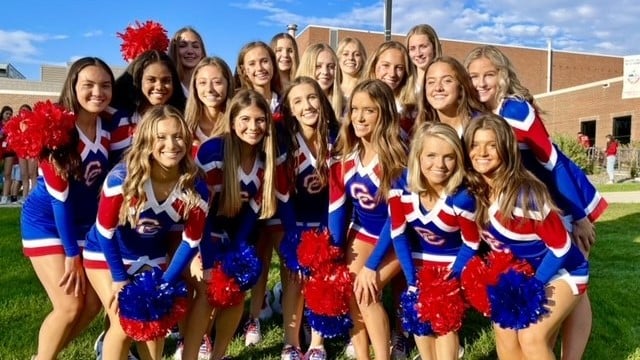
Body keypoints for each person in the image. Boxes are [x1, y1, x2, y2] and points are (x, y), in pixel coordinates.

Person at [464, 45, 607, 360]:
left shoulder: (516, 110)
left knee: (575, 287)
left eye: (489, 74)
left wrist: (579, 216)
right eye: (473, 76)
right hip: (519, 200)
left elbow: (554, 162)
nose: (480, 82)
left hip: (556, 198)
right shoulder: (481, 115)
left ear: (504, 75)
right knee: (535, 321)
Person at [83, 104, 208, 360]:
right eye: (160, 137)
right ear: (146, 141)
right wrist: (119, 278)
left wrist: (164, 284)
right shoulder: (121, 179)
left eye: (178, 136)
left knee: (156, 324)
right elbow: (104, 232)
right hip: (107, 254)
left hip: (152, 256)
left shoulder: (196, 186)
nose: (171, 144)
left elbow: (190, 240)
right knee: (125, 319)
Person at [463, 113, 589, 360]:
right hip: (524, 274)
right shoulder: (477, 192)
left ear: (506, 150)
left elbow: (562, 248)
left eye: (492, 145)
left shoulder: (524, 195)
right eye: (475, 145)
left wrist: (532, 287)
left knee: (531, 337)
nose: (482, 152)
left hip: (563, 272)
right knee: (505, 331)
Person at [19, 57, 114, 360]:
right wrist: (72, 253)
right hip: (47, 222)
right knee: (70, 304)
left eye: (105, 85)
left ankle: (45, 356)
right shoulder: (58, 131)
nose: (97, 92)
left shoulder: (109, 124)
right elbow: (59, 202)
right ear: (73, 87)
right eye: (88, 85)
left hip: (85, 222)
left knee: (92, 305)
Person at [192, 89, 285, 360]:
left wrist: (237, 253)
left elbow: (250, 216)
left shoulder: (266, 160)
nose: (252, 127)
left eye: (259, 120)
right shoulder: (212, 151)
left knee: (234, 293)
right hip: (201, 233)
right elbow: (201, 213)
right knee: (207, 291)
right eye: (245, 119)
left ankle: (219, 354)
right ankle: (197, 343)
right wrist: (207, 260)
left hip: (236, 235)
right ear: (232, 121)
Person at [387, 122, 479, 360]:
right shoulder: (400, 186)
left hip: (450, 268)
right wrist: (412, 281)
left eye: (449, 157)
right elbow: (398, 235)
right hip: (416, 266)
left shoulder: (462, 198)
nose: (439, 165)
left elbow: (471, 243)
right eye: (431, 155)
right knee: (420, 323)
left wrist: (450, 280)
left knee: (444, 325)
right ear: (417, 155)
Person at [329, 79, 406, 359]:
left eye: (369, 110)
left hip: (400, 235)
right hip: (363, 230)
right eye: (355, 109)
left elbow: (398, 219)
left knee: (366, 290)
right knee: (348, 286)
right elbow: (337, 209)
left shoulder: (399, 158)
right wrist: (332, 253)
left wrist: (372, 264)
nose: (359, 117)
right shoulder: (345, 156)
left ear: (384, 113)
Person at [278, 76, 341, 359]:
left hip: (325, 225)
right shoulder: (285, 145)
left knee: (322, 281)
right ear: (289, 109)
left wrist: (329, 236)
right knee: (294, 279)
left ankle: (317, 342)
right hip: (294, 224)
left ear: (322, 100)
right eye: (298, 101)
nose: (307, 106)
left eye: (312, 98)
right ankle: (291, 342)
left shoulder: (336, 141)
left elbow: (339, 197)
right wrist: (293, 239)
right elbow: (283, 196)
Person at [109, 50, 186, 166]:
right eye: (151, 80)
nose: (159, 86)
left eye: (166, 80)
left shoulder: (182, 119)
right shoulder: (117, 117)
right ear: (138, 80)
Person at [415, 56, 486, 135]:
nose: (438, 88)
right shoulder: (421, 128)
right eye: (431, 82)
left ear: (461, 87)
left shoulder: (481, 126)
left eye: (447, 81)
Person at [361, 41, 417, 137]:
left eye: (399, 68)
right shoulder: (358, 100)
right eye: (386, 65)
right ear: (374, 66)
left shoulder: (412, 110)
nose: (392, 74)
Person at [185, 56, 235, 150]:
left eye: (217, 82)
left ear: (228, 84)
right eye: (202, 83)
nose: (209, 89)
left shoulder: (238, 125)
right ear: (195, 87)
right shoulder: (185, 128)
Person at [296, 43, 344, 120]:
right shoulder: (290, 104)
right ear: (307, 67)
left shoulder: (345, 106)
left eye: (331, 66)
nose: (325, 72)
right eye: (318, 66)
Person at [235, 41, 282, 112]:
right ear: (244, 70)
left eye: (264, 61)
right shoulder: (238, 104)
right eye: (252, 64)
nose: (259, 68)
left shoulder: (286, 103)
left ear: (273, 64)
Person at [169, 27, 207, 96]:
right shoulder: (169, 87)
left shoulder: (209, 87)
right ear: (174, 51)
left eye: (195, 46)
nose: (190, 51)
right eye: (182, 46)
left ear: (202, 52)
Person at [406, 24, 442, 95]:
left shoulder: (443, 85)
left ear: (434, 48)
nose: (418, 54)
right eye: (412, 48)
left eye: (423, 47)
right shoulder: (404, 87)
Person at [16, 104, 37, 203]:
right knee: (24, 174)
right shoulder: (17, 123)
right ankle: (24, 196)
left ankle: (33, 196)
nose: (23, 112)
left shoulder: (33, 123)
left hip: (32, 149)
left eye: (26, 110)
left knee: (32, 173)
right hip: (21, 150)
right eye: (22, 110)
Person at [1, 105, 15, 204]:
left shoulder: (12, 125)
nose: (9, 116)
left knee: (7, 174)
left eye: (10, 114)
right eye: (7, 113)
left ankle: (5, 196)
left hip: (9, 151)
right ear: (2, 114)